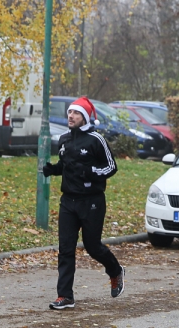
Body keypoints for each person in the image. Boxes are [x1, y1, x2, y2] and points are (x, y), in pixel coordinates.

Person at [42, 96, 125, 310]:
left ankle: (115, 271)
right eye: (69, 112)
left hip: (92, 201)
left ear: (85, 117)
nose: (71, 116)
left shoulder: (96, 140)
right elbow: (66, 165)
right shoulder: (64, 139)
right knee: (65, 249)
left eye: (76, 113)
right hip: (68, 201)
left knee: (93, 246)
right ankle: (65, 296)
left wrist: (90, 172)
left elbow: (111, 167)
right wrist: (54, 169)